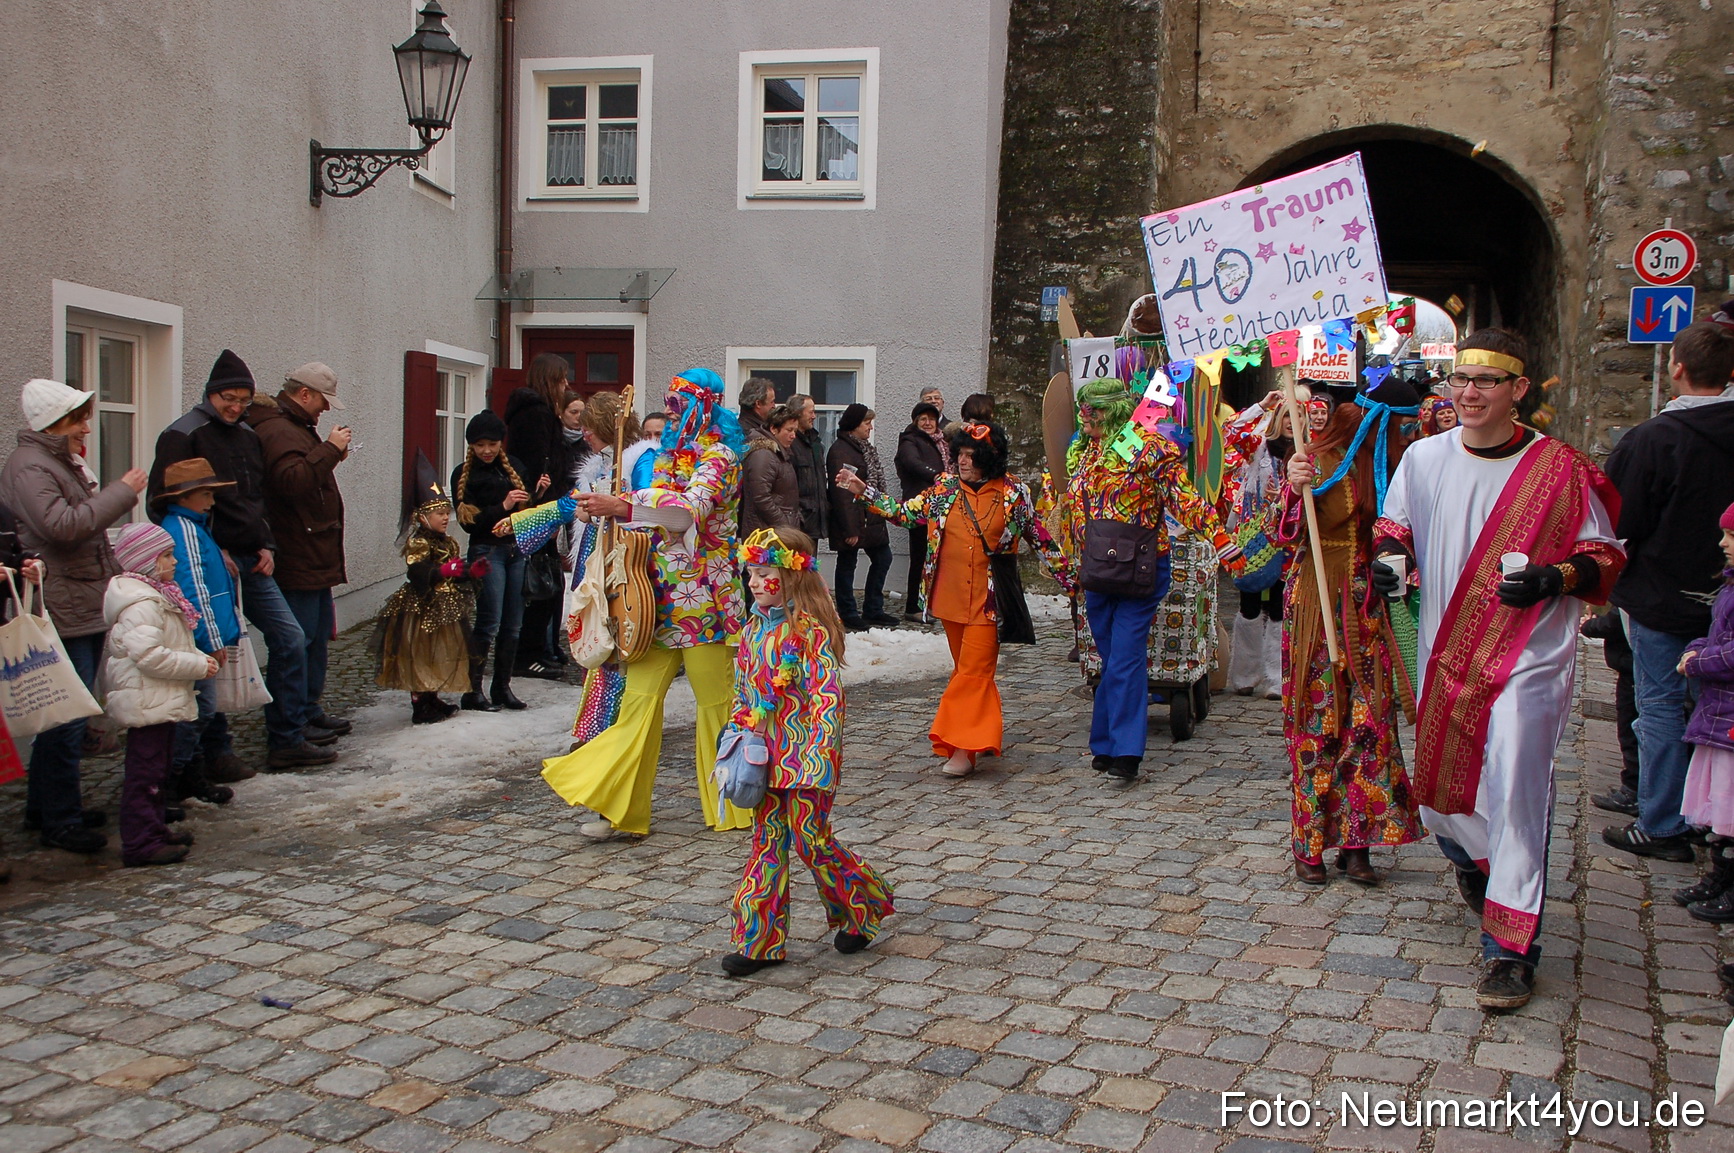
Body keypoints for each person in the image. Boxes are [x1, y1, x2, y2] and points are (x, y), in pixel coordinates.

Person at [1374, 329, 1625, 1010]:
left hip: (1527, 656)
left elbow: (1603, 555)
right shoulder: (1424, 459)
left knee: (1515, 784)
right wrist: (1390, 563)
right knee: (1437, 793)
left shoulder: (1559, 469)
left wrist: (1554, 577)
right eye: (1461, 378)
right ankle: (1473, 860)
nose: (1470, 392)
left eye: (1488, 380)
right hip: (1446, 650)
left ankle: (1510, 950)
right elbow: (1394, 528)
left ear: (1518, 390)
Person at [530, 368, 755, 840]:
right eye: (668, 401)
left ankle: (735, 806)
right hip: (653, 602)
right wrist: (606, 504)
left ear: (704, 407)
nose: (671, 410)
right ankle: (620, 809)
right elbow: (649, 505)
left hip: (706, 604)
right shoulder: (667, 457)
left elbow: (684, 511)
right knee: (637, 705)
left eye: (680, 402)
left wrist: (625, 506)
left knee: (716, 705)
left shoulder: (718, 457)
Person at [839, 421, 1073, 777]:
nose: (962, 461)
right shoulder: (944, 489)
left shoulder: (1013, 494)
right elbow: (905, 514)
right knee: (969, 671)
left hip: (989, 601)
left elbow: (1041, 539)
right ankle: (984, 733)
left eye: (971, 456)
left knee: (973, 674)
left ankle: (962, 749)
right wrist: (863, 491)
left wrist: (1074, 581)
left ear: (989, 458)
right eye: (960, 454)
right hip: (948, 597)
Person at [722, 527, 895, 977]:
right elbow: (743, 695)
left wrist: (817, 756)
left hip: (806, 758)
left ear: (792, 576)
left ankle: (866, 904)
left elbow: (826, 699)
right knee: (767, 844)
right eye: (751, 574)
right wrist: (738, 739)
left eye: (766, 574)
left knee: (810, 841)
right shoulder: (751, 632)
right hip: (763, 756)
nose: (756, 583)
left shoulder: (810, 633)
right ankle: (758, 941)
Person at [149, 350, 332, 771]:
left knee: (290, 639)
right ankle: (215, 750)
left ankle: (286, 738)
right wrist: (215, 549)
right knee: (213, 650)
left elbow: (256, 498)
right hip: (207, 565)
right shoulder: (183, 435)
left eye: (243, 400)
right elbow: (163, 507)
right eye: (227, 398)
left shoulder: (248, 434)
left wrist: (267, 543)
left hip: (253, 559)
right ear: (211, 394)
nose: (234, 407)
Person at [1279, 378, 1426, 885]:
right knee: (1319, 720)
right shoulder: (1315, 459)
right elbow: (1286, 532)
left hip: (1374, 610)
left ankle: (1359, 843)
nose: (1410, 435)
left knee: (1370, 724)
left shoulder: (1410, 469)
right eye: (1403, 426)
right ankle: (1310, 841)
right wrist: (1295, 488)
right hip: (1319, 605)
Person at [1601, 320, 1734, 861]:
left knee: (1658, 707)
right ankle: (1709, 817)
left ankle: (1661, 822)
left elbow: (1619, 517)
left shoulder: (1655, 438)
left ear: (1676, 367)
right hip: (1722, 594)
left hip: (1661, 595)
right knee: (1717, 707)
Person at [1060, 377, 1237, 780]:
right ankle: (1105, 744)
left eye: (1095, 409)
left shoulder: (1149, 447)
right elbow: (1075, 509)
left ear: (1116, 410)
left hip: (1139, 567)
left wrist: (1224, 542)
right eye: (1084, 408)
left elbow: (1185, 499)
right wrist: (1071, 562)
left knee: (1123, 656)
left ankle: (1125, 751)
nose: (1086, 416)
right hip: (1097, 569)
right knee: (1112, 659)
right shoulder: (1084, 451)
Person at [0, 378, 145, 852]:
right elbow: (63, 527)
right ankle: (59, 820)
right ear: (55, 424)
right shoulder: (30, 467)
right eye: (79, 419)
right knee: (66, 717)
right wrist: (121, 493)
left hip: (79, 596)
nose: (87, 428)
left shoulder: (56, 462)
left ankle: (48, 809)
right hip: (60, 601)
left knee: (70, 712)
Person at [245, 362, 353, 740]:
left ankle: (307, 711)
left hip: (312, 551)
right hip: (297, 553)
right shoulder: (278, 430)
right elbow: (291, 483)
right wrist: (329, 450)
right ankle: (292, 723)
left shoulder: (294, 428)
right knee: (298, 643)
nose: (325, 410)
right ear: (303, 394)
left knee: (315, 639)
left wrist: (328, 455)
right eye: (323, 401)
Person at [103, 522, 220, 867]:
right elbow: (151, 657)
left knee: (159, 768)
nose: (174, 562)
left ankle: (153, 828)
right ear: (145, 561)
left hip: (159, 699)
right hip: (146, 701)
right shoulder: (142, 605)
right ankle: (140, 841)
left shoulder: (158, 596)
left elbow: (170, 644)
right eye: (167, 556)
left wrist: (198, 658)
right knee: (146, 773)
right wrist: (197, 666)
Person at [157, 458, 248, 801]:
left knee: (200, 709)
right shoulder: (184, 530)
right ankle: (169, 780)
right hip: (195, 641)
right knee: (199, 709)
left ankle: (188, 777)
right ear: (185, 497)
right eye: (206, 494)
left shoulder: (195, 526)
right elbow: (194, 590)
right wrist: (210, 639)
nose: (211, 501)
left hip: (200, 637)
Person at [375, 452, 483, 724]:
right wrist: (441, 571)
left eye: (447, 513)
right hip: (422, 608)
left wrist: (469, 572)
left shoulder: (448, 542)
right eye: (439, 514)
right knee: (421, 654)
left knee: (442, 652)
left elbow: (453, 571)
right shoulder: (420, 542)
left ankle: (433, 696)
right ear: (423, 517)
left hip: (445, 608)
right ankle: (420, 702)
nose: (445, 518)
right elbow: (417, 570)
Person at [1671, 500, 1734, 922]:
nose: (1722, 543)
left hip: (1728, 718)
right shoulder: (1729, 585)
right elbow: (1718, 635)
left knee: (1731, 805)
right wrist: (1696, 647)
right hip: (1719, 712)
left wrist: (1697, 661)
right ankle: (1720, 875)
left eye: (1731, 536)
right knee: (1720, 805)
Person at [451, 409, 531, 712]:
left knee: (513, 624)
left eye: (492, 444)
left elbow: (527, 511)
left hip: (516, 551)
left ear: (501, 444)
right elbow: (471, 524)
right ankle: (472, 690)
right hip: (487, 552)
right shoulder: (464, 474)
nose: (486, 451)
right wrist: (504, 505)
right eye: (480, 445)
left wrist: (537, 494)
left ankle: (502, 687)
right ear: (472, 445)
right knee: (489, 622)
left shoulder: (516, 468)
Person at [508, 355, 577, 681]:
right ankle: (528, 655)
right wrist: (546, 514)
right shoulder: (535, 415)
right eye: (561, 379)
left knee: (547, 587)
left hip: (543, 507)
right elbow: (538, 467)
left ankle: (539, 651)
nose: (566, 385)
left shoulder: (540, 413)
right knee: (540, 588)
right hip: (537, 510)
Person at [826, 404, 896, 629]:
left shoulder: (864, 448)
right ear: (854, 424)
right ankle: (847, 612)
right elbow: (842, 493)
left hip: (871, 517)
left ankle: (873, 609)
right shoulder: (841, 451)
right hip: (854, 520)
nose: (871, 428)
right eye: (867, 423)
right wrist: (850, 529)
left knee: (883, 558)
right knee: (847, 563)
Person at [894, 402, 951, 622]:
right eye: (923, 419)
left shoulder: (941, 441)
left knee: (936, 558)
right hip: (919, 507)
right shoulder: (910, 440)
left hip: (939, 506)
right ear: (915, 422)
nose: (928, 423)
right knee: (920, 558)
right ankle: (913, 607)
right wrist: (937, 476)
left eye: (931, 419)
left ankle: (931, 603)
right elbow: (912, 463)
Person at [739, 404, 802, 537]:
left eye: (795, 431)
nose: (793, 436)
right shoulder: (763, 455)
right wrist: (784, 524)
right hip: (766, 533)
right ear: (773, 429)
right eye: (789, 430)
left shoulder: (779, 453)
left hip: (776, 531)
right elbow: (761, 497)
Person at [788, 395, 828, 545]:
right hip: (799, 522)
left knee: (810, 566)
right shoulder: (790, 444)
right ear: (798, 413)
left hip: (814, 520)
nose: (814, 416)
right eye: (810, 412)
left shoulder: (815, 443)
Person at [738, 376, 777, 443]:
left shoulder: (761, 428)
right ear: (758, 403)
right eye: (771, 402)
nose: (774, 406)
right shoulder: (750, 434)